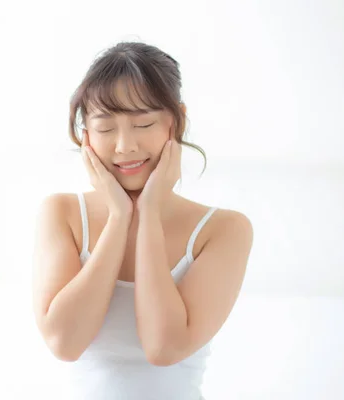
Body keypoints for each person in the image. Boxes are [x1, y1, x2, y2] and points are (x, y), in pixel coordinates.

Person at [31, 41, 254, 400]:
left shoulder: (223, 230)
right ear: (86, 134)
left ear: (176, 120)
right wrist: (119, 218)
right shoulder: (62, 213)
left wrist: (148, 213)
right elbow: (64, 343)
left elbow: (164, 347)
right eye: (105, 129)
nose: (124, 145)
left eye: (143, 124)